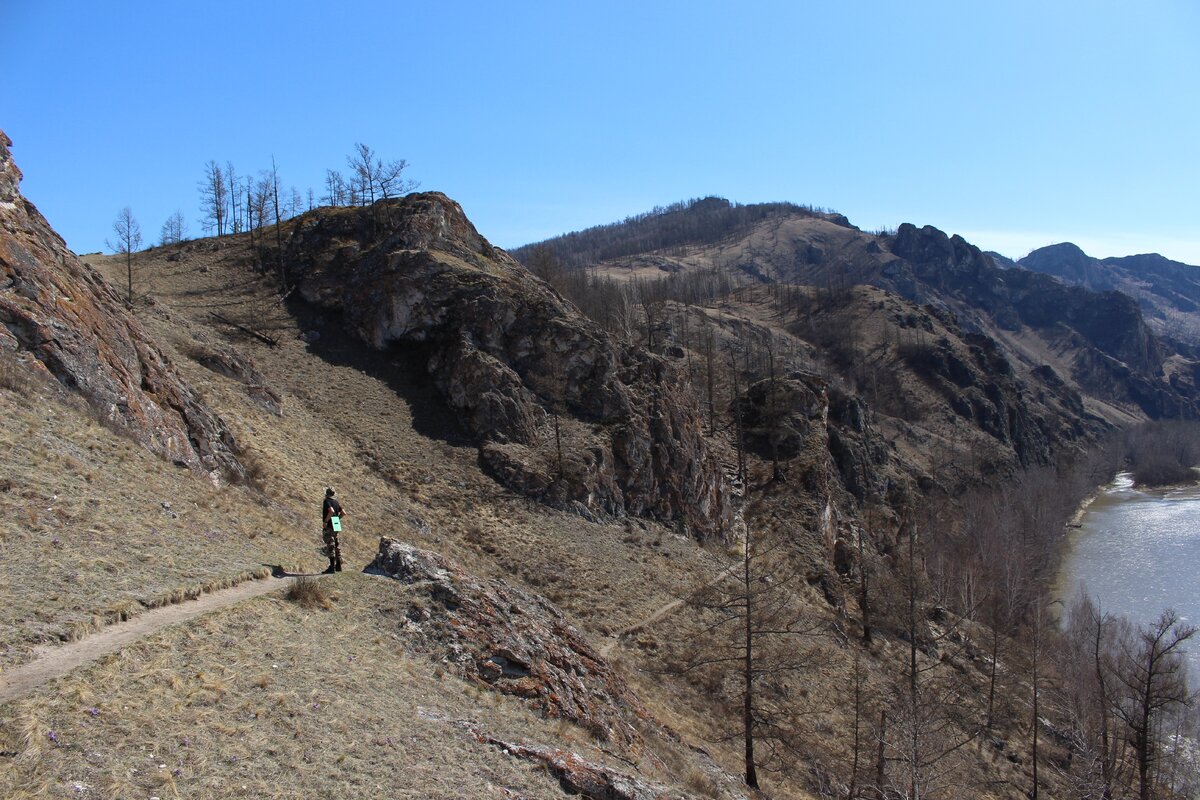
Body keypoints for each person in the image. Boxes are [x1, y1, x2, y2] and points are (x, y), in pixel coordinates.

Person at [321, 487, 345, 573]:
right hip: (336, 523)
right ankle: (338, 566)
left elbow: (330, 511)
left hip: (330, 524)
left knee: (330, 544)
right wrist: (337, 519)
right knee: (336, 545)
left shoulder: (327, 501)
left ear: (326, 493)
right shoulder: (336, 502)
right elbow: (343, 513)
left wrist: (325, 522)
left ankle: (332, 567)